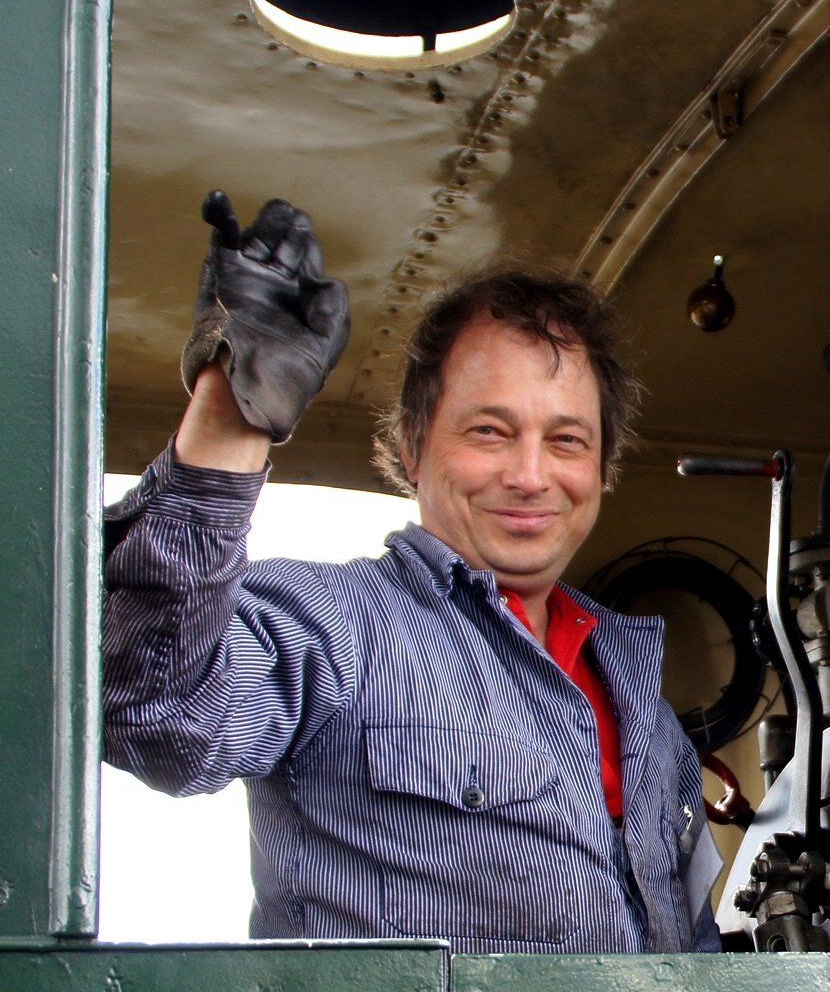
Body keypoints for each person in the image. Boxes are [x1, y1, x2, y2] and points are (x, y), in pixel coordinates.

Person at [102, 191, 721, 952]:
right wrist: (230, 419)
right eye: (489, 432)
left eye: (567, 441)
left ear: (601, 467)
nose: (531, 476)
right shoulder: (332, 625)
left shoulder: (648, 715)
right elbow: (160, 716)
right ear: (411, 447)